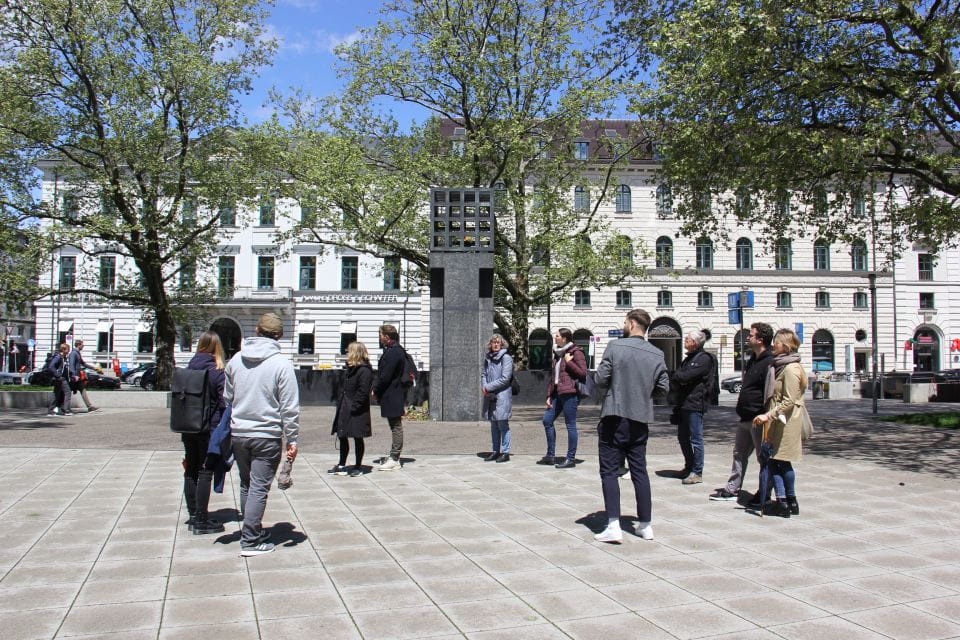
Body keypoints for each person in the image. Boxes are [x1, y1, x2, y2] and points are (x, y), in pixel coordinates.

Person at [224, 313, 300, 556]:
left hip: (239, 432)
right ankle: (250, 540)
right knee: (259, 487)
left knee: (247, 483)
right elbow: (289, 407)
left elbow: (227, 396)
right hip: (266, 434)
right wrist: (292, 438)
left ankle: (252, 530)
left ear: (257, 331)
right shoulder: (281, 364)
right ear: (279, 335)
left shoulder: (236, 360)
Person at [593, 309, 670, 543]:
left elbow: (600, 378)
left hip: (615, 414)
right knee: (639, 471)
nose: (624, 324)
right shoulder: (657, 353)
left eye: (626, 321)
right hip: (640, 417)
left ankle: (613, 524)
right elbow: (663, 388)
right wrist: (644, 395)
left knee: (609, 470)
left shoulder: (615, 347)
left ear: (633, 323)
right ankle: (645, 524)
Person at [710, 322, 774, 501]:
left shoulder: (769, 362)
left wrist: (765, 414)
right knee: (739, 454)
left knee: (764, 458)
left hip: (759, 417)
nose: (747, 338)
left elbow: (770, 391)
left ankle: (764, 494)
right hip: (745, 417)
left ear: (760, 340)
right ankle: (732, 488)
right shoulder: (753, 358)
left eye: (751, 335)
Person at [752, 328, 808, 518]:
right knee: (782, 462)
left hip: (785, 421)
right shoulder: (784, 365)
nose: (773, 345)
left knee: (776, 461)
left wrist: (767, 416)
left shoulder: (790, 368)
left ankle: (783, 502)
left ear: (785, 346)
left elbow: (788, 400)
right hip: (781, 419)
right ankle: (790, 501)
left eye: (776, 342)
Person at [184, 331, 227, 535]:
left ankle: (193, 515)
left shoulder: (189, 368)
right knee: (205, 470)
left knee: (190, 468)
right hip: (209, 426)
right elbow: (224, 401)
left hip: (188, 425)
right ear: (216, 347)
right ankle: (202, 519)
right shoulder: (216, 371)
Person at [668, 330, 716, 485]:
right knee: (683, 437)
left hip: (695, 403)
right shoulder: (689, 358)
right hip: (684, 403)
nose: (685, 340)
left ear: (695, 343)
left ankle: (697, 471)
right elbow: (679, 377)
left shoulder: (703, 359)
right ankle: (689, 467)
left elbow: (684, 376)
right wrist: (678, 377)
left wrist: (678, 376)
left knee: (696, 438)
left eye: (688, 339)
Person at [540, 328, 587, 469]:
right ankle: (550, 455)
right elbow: (553, 377)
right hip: (557, 393)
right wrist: (549, 395)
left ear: (564, 338)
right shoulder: (558, 353)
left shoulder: (576, 352)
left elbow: (583, 373)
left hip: (570, 393)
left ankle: (570, 458)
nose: (555, 337)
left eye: (557, 336)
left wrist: (569, 362)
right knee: (547, 420)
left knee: (570, 424)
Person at [330, 341, 374, 477]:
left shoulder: (364, 370)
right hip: (345, 406)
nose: (347, 353)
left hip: (356, 409)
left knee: (357, 437)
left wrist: (354, 406)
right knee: (342, 435)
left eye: (349, 351)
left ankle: (358, 466)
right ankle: (342, 464)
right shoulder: (350, 369)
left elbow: (363, 391)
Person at [373, 324, 406, 471]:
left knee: (396, 426)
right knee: (394, 424)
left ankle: (395, 458)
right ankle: (394, 456)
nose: (380, 338)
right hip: (393, 392)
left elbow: (386, 375)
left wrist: (376, 389)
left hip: (393, 393)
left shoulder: (394, 352)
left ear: (386, 337)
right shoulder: (395, 350)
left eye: (380, 335)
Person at [481, 335, 514, 463]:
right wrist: (484, 386)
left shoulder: (506, 358)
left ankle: (505, 452)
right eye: (493, 342)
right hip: (490, 396)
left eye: (498, 342)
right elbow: (484, 374)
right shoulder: (488, 358)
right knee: (494, 424)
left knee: (502, 424)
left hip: (502, 395)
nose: (495, 344)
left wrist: (488, 387)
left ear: (502, 344)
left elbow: (505, 378)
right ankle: (495, 451)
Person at [68, 339, 103, 413]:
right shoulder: (73, 353)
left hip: (78, 376)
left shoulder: (77, 353)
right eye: (82, 344)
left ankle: (89, 407)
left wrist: (94, 368)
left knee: (82, 389)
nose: (83, 346)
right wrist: (74, 375)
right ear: (79, 345)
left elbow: (83, 363)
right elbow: (71, 365)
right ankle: (62, 407)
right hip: (74, 377)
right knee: (67, 391)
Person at [46, 344, 72, 416]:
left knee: (56, 393)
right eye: (68, 349)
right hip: (60, 378)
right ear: (63, 350)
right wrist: (58, 375)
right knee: (68, 392)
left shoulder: (63, 357)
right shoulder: (58, 357)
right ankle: (65, 410)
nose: (69, 351)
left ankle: (51, 410)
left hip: (60, 378)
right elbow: (51, 367)